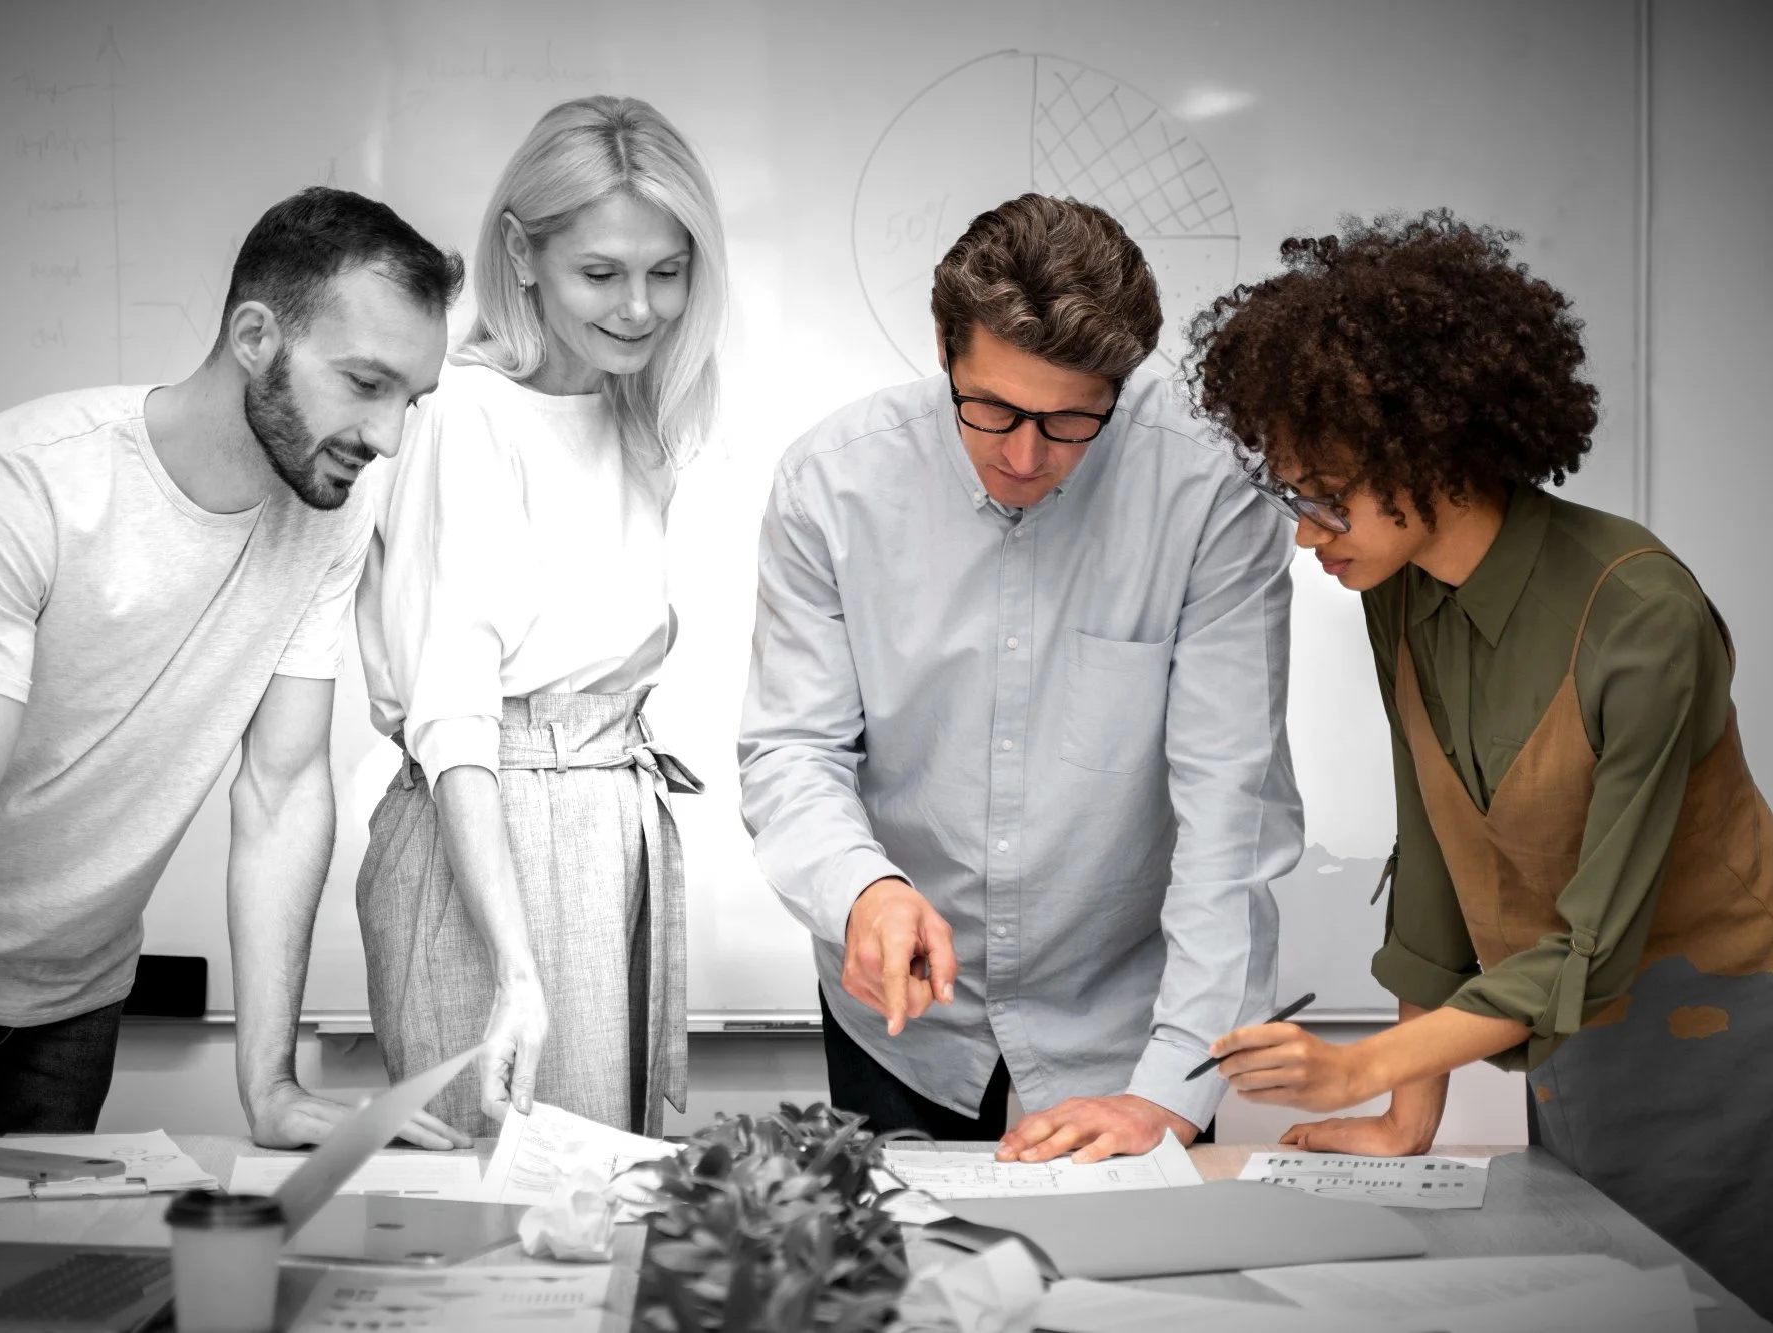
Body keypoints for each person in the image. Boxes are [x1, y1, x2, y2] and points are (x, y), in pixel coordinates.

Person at [0, 186, 463, 1277]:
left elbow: (282, 791)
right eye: (365, 384)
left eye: (409, 400)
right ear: (254, 338)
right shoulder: (21, 480)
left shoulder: (334, 509)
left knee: (32, 1308)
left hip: (72, 992)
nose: (383, 435)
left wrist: (272, 1086)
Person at [1190, 211, 1773, 1317]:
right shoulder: (1398, 593)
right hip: (1570, 1057)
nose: (1306, 534)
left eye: (1324, 495)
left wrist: (1356, 1065)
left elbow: (1594, 944)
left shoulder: (1639, 611)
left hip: (1723, 1055)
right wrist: (1407, 1114)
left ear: (1430, 450)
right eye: (1291, 495)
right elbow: (1434, 854)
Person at [737, 193, 1303, 1161]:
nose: (1024, 454)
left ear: (1121, 387)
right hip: (900, 1017)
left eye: (1071, 421)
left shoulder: (1210, 491)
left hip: (1126, 1023)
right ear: (944, 351)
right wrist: (861, 889)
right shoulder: (831, 486)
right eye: (991, 407)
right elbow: (792, 749)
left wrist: (1171, 1092)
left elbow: (1229, 809)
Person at [356, 95, 727, 1138]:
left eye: (667, 270)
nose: (639, 308)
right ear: (520, 254)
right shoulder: (464, 413)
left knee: (604, 1201)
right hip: (492, 832)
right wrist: (516, 968)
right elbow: (455, 719)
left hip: (606, 819)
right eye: (600, 274)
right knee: (504, 1213)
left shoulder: (631, 409)